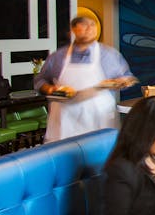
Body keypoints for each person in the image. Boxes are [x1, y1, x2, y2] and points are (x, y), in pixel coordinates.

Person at [35, 15, 136, 143]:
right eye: (84, 25)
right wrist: (50, 89)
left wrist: (123, 81)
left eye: (92, 25)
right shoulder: (58, 57)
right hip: (65, 123)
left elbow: (127, 76)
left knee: (100, 158)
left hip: (99, 121)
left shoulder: (110, 55)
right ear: (73, 29)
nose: (89, 29)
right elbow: (40, 80)